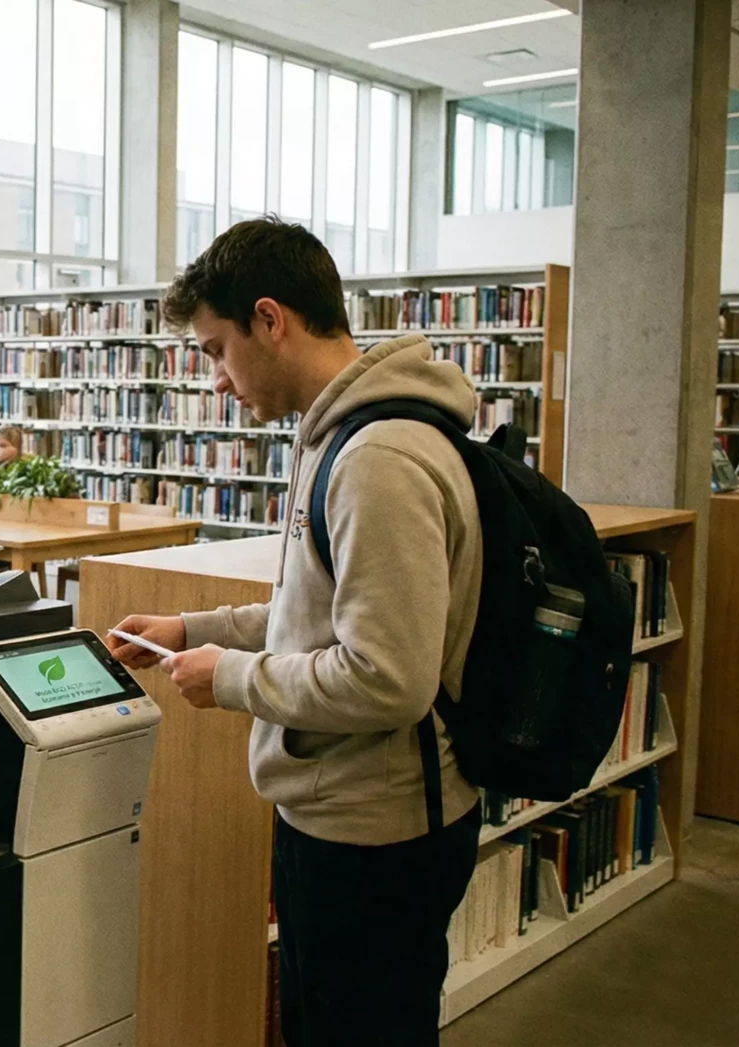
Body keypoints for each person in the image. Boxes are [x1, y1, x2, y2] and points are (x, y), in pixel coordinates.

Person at [105, 217, 483, 1047]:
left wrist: (231, 678)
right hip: (350, 810)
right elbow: (315, 614)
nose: (216, 381)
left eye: (213, 349)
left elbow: (389, 675)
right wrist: (190, 626)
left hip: (375, 835)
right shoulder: (343, 435)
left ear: (270, 319)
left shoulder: (377, 460)